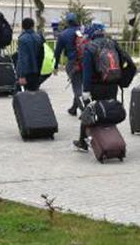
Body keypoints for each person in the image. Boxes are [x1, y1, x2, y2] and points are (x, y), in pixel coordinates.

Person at [73, 21, 128, 151]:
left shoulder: (90, 47)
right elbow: (124, 60)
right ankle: (113, 141)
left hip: (95, 86)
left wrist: (86, 91)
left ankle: (83, 142)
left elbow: (87, 72)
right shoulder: (113, 44)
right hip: (112, 84)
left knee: (89, 112)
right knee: (108, 112)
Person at [53, 13, 83, 116]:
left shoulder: (63, 34)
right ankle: (74, 108)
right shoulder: (83, 31)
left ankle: (84, 110)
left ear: (67, 22)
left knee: (77, 87)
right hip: (86, 62)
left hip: (73, 63)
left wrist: (55, 66)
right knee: (80, 85)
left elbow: (57, 52)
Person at [17, 18, 44, 92]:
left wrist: (21, 75)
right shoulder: (39, 37)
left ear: (23, 27)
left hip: (27, 71)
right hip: (37, 70)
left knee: (25, 95)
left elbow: (22, 58)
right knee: (34, 92)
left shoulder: (22, 39)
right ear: (33, 26)